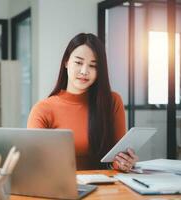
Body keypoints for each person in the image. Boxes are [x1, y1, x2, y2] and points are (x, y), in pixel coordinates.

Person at [27, 33, 138, 172]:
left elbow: (116, 159)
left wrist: (124, 162)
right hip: (59, 187)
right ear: (66, 62)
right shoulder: (42, 109)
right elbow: (35, 164)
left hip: (106, 188)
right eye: (79, 63)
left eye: (93, 66)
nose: (85, 71)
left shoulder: (112, 102)